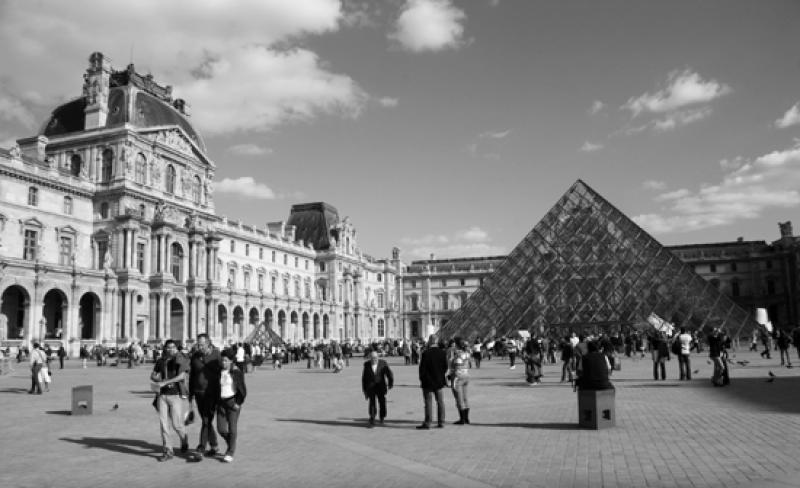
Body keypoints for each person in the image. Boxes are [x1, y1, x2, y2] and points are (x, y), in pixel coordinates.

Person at [150, 340, 190, 462]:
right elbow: (153, 374)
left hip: (175, 395)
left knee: (177, 424)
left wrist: (166, 382)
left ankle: (184, 440)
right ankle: (168, 450)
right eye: (168, 347)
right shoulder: (160, 361)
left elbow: (182, 376)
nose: (170, 350)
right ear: (165, 348)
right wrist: (155, 378)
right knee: (163, 424)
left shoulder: (178, 360)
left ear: (176, 349)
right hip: (162, 395)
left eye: (173, 347)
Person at [189, 333, 222, 460]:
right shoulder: (195, 356)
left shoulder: (217, 355)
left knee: (207, 420)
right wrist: (190, 394)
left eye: (202, 344)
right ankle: (214, 446)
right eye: (198, 344)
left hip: (212, 392)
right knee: (206, 420)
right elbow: (192, 376)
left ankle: (201, 448)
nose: (199, 347)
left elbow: (223, 373)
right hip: (198, 393)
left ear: (208, 343)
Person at [217, 350, 246, 463]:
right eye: (222, 360)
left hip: (232, 402)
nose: (223, 362)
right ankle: (231, 443)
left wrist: (238, 403)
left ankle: (230, 452)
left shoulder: (236, 372)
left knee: (232, 428)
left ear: (231, 361)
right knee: (221, 428)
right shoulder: (219, 371)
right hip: (221, 402)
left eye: (226, 360)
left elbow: (243, 390)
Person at [417, 335, 448, 429]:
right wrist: (440, 375)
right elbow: (445, 367)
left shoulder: (426, 353)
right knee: (440, 402)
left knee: (428, 403)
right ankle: (441, 422)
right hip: (439, 382)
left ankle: (428, 422)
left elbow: (422, 369)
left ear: (430, 341)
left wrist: (423, 379)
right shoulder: (442, 353)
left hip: (428, 382)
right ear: (437, 341)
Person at [361, 350, 394, 427]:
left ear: (378, 357)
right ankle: (372, 418)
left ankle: (382, 416)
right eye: (372, 358)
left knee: (382, 402)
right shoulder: (366, 365)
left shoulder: (383, 363)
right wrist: (364, 390)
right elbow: (364, 378)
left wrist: (390, 383)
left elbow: (389, 374)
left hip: (380, 386)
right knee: (372, 403)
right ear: (370, 358)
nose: (374, 359)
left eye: (375, 358)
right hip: (371, 387)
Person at [448, 338, 472, 425]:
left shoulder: (458, 355)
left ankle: (461, 419)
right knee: (465, 398)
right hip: (466, 376)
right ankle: (466, 418)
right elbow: (469, 364)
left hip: (458, 377)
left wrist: (451, 373)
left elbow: (457, 367)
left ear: (457, 345)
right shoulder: (467, 354)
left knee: (459, 399)